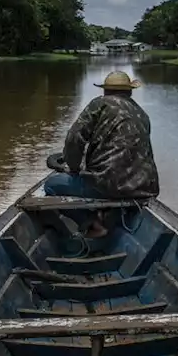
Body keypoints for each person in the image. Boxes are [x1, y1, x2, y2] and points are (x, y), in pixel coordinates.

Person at [44, 70, 160, 237]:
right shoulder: (141, 113)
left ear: (106, 91)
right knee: (103, 184)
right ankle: (109, 215)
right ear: (129, 91)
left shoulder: (100, 104)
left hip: (108, 186)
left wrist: (74, 167)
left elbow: (74, 139)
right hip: (144, 188)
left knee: (52, 186)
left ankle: (92, 223)